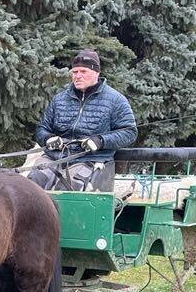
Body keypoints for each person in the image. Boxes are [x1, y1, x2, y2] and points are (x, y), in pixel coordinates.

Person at [28, 48, 137, 191]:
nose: (77, 76)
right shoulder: (59, 99)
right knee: (31, 184)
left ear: (96, 73)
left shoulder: (116, 100)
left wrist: (100, 141)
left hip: (89, 159)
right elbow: (42, 128)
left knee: (69, 188)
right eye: (75, 72)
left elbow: (129, 132)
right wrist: (48, 139)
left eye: (83, 72)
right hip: (53, 157)